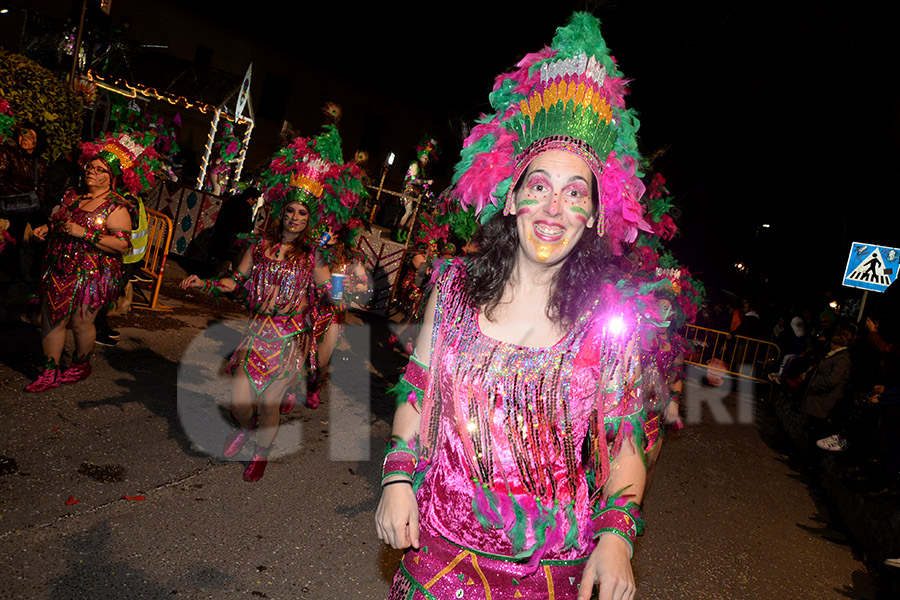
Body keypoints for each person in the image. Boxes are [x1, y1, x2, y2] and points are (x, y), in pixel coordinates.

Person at [376, 14, 661, 599]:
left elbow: (626, 443)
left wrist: (617, 538)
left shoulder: (613, 323)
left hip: (549, 579)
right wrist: (398, 477)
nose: (554, 207)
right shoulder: (454, 288)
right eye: (539, 186)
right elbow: (419, 391)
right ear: (511, 196)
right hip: (440, 564)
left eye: (575, 192)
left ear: (596, 215)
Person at [182, 122, 365, 481]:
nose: (295, 218)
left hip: (288, 340)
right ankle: (247, 428)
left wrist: (341, 281)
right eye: (292, 211)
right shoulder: (259, 248)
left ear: (310, 220)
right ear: (282, 212)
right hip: (255, 335)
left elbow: (334, 294)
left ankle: (261, 450)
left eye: (303, 214)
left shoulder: (313, 257)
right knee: (238, 402)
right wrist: (204, 283)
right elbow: (235, 281)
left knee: (269, 404)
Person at [25, 135, 152, 391]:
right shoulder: (73, 196)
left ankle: (79, 364)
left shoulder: (117, 207)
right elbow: (62, 223)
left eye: (100, 170)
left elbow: (121, 244)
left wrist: (85, 233)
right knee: (52, 319)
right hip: (59, 267)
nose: (92, 172)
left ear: (113, 177)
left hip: (93, 275)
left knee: (81, 324)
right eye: (90, 167)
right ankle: (49, 372)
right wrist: (47, 229)